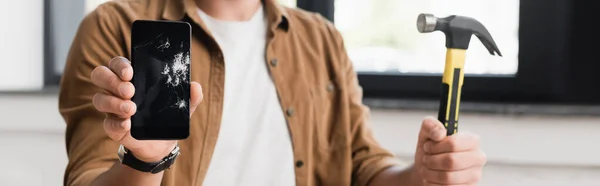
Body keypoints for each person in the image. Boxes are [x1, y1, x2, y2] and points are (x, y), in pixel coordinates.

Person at [58, 0, 487, 185]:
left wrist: (423, 176)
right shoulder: (114, 27)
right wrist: (143, 161)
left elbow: (361, 165)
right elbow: (88, 179)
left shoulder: (322, 39)